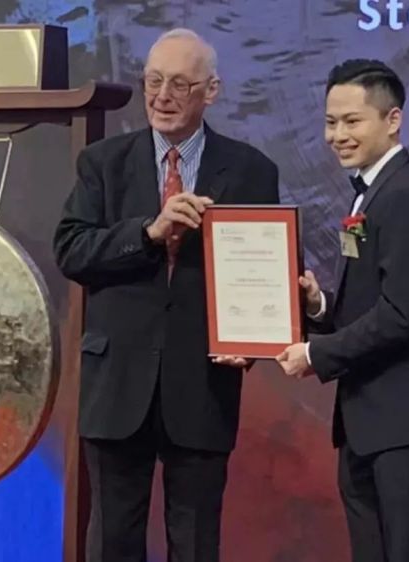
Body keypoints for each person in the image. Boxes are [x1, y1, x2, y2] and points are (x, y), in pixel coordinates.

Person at [53, 28, 279, 562]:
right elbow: (71, 250)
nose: (162, 96)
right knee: (112, 542)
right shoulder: (104, 163)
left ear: (211, 90)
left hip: (202, 385)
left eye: (180, 83)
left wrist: (254, 340)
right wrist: (148, 233)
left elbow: (266, 269)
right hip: (117, 385)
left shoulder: (251, 171)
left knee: (196, 542)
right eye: (153, 81)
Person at [276, 59, 409, 562]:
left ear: (393, 119)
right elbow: (373, 302)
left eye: (352, 121)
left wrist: (315, 354)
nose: (337, 135)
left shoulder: (406, 196)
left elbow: (402, 315)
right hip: (368, 421)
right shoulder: (372, 193)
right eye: (330, 122)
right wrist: (319, 305)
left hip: (406, 420)